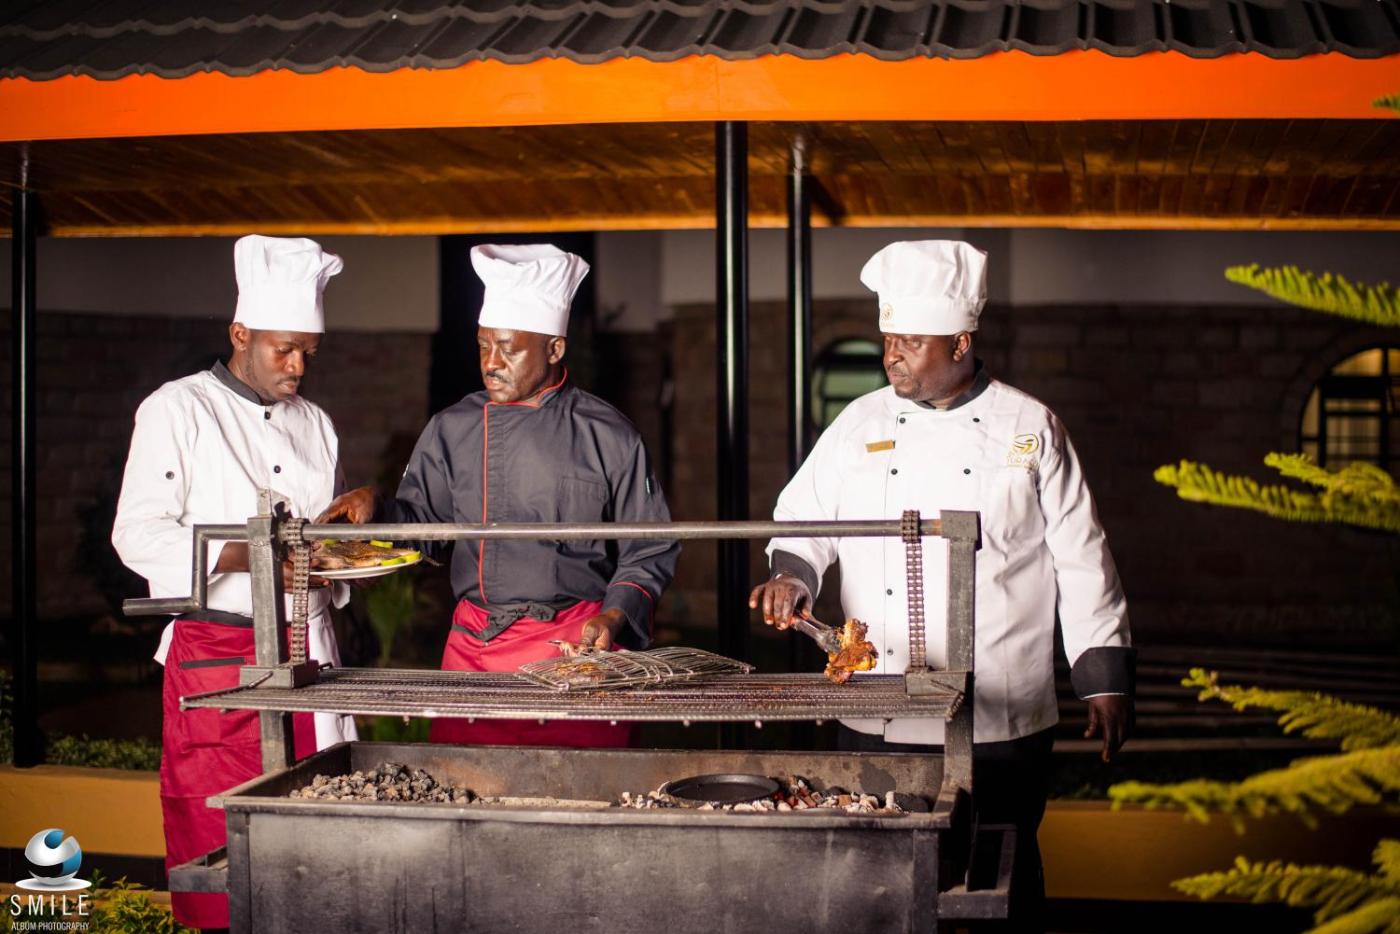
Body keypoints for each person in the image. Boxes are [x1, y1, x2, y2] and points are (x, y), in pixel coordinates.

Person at [748, 240, 1134, 931]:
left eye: (911, 342)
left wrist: (1103, 678)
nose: (892, 355)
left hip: (1001, 713)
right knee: (877, 880)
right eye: (888, 339)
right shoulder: (858, 423)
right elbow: (806, 520)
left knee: (1000, 877)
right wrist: (791, 574)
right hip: (880, 707)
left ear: (960, 342)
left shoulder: (1030, 427)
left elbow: (1082, 556)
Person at [322, 243, 678, 747]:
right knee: (464, 784)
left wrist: (615, 614)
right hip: (475, 650)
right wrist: (377, 507)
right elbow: (425, 525)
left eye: (508, 348)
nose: (491, 363)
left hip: (576, 650)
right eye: (483, 345)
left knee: (577, 788)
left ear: (554, 349)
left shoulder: (609, 435)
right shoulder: (452, 429)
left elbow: (651, 546)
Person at [112, 235, 358, 932]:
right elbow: (138, 534)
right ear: (240, 334)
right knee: (220, 846)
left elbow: (318, 544)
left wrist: (339, 541)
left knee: (317, 845)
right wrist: (251, 557)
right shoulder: (177, 409)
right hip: (218, 659)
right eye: (285, 349)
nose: (298, 366)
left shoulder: (317, 425)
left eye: (309, 351)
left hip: (309, 658)